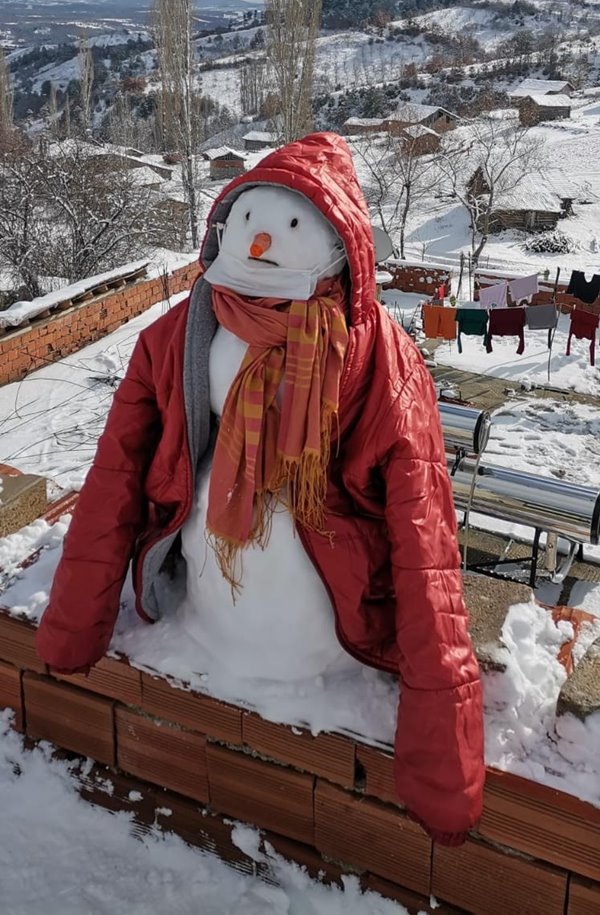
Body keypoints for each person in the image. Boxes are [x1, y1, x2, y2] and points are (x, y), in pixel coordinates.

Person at [37, 131, 484, 845]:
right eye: (247, 223)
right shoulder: (185, 331)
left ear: (339, 246)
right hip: (205, 616)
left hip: (325, 638)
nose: (260, 244)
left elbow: (425, 536)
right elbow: (115, 473)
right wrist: (70, 626)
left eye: (291, 226)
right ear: (225, 225)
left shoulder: (377, 360)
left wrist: (444, 761)